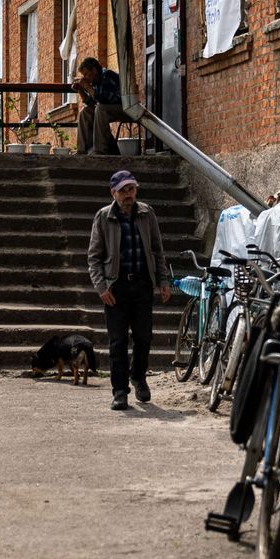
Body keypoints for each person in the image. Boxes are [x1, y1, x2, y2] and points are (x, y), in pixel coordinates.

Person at [86, 169, 171, 411]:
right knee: (118, 341)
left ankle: (138, 376)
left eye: (131, 189)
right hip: (116, 287)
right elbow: (94, 257)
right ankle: (120, 390)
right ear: (113, 193)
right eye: (123, 190)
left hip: (143, 285)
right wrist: (101, 287)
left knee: (144, 337)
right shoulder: (103, 217)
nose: (128, 194)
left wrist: (163, 281)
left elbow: (157, 250)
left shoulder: (147, 213)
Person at [72, 56, 124, 155]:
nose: (85, 77)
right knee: (85, 112)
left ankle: (100, 150)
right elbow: (91, 103)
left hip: (123, 108)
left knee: (100, 109)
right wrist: (81, 90)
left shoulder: (107, 75)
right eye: (84, 75)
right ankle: (81, 150)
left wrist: (87, 86)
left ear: (95, 70)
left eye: (86, 74)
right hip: (107, 109)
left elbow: (103, 99)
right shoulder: (95, 81)